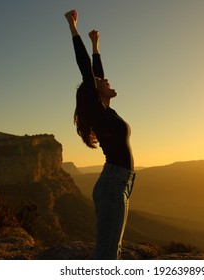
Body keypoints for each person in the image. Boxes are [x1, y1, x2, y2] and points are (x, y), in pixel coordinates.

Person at [64, 9, 135, 260]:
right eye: (101, 82)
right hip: (113, 184)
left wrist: (96, 46)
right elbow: (86, 70)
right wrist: (73, 27)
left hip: (119, 182)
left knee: (109, 248)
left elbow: (96, 74)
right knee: (108, 252)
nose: (107, 81)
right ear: (96, 92)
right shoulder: (99, 111)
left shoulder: (105, 111)